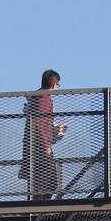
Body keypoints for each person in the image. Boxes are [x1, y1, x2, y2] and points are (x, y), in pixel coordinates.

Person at [19, 69, 67, 201]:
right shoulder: (43, 100)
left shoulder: (37, 98)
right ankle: (38, 209)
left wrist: (56, 129)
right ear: (53, 85)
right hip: (40, 147)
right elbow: (39, 124)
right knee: (47, 181)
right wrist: (46, 145)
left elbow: (40, 123)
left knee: (42, 181)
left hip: (35, 144)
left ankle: (38, 207)